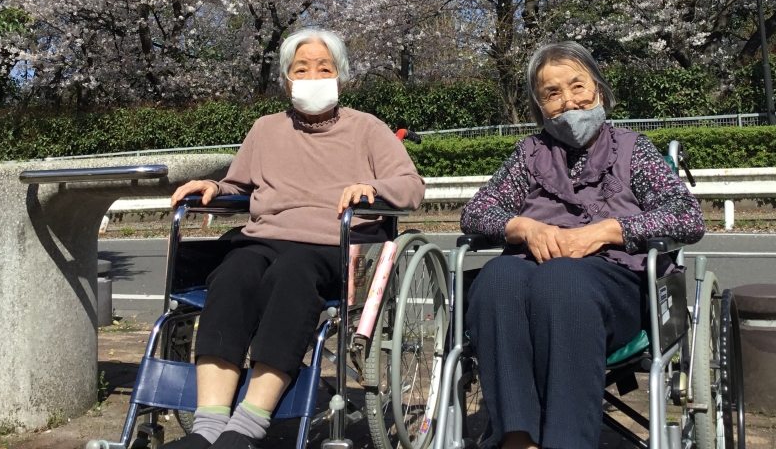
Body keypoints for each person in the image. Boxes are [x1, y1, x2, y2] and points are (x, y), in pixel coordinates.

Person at [165, 29, 425, 449]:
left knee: (292, 274)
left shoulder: (368, 129)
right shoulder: (265, 129)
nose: (312, 76)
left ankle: (247, 425)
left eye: (324, 68)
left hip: (329, 244)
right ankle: (209, 427)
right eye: (300, 69)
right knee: (233, 273)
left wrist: (373, 189)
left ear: (341, 76)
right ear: (286, 80)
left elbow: (411, 186)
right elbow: (237, 184)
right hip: (264, 237)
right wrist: (213, 188)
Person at [460, 42, 705, 449]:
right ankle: (516, 439)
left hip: (613, 285)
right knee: (497, 276)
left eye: (578, 87)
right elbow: (475, 214)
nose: (568, 101)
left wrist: (608, 230)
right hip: (529, 274)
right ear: (540, 108)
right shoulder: (528, 155)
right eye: (552, 94)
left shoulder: (632, 149)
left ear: (600, 91)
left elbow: (687, 216)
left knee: (562, 279)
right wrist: (523, 227)